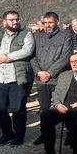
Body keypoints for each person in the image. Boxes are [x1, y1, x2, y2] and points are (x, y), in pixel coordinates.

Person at [0, 10, 35, 146]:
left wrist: (6, 58)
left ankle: (19, 136)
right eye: (11, 20)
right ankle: (7, 134)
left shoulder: (26, 34)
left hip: (17, 78)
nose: (15, 22)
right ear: (4, 21)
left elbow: (27, 50)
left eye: (16, 19)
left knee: (18, 109)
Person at [30, 11, 73, 145]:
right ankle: (45, 133)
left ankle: (69, 133)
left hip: (58, 79)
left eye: (50, 22)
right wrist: (39, 72)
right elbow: (32, 57)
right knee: (43, 110)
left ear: (57, 22)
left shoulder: (65, 37)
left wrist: (49, 73)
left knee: (62, 107)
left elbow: (65, 58)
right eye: (45, 23)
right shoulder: (39, 37)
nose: (47, 25)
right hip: (41, 80)